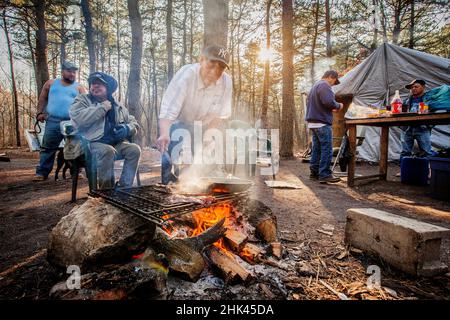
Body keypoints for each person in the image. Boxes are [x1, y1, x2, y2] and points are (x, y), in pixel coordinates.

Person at [156, 45, 232, 185]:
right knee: (171, 159)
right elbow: (168, 110)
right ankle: (168, 188)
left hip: (204, 125)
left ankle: (198, 187)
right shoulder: (186, 75)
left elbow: (219, 115)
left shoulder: (226, 82)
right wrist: (164, 134)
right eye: (211, 64)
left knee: (205, 160)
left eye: (220, 68)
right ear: (201, 60)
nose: (215, 71)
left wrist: (208, 137)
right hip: (178, 122)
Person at [69, 72, 140, 189]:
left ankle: (124, 188)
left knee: (134, 150)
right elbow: (79, 119)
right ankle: (106, 192)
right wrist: (102, 107)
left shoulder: (118, 106)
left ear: (109, 88)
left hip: (115, 144)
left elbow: (134, 123)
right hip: (89, 144)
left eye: (100, 84)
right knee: (107, 151)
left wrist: (127, 128)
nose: (95, 86)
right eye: (93, 84)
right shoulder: (82, 100)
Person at [34, 61, 86, 181]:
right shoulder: (51, 83)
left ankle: (76, 172)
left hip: (72, 122)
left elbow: (86, 104)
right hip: (53, 120)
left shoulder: (79, 87)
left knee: (75, 146)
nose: (72, 74)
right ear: (62, 71)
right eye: (69, 71)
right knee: (47, 147)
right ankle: (42, 173)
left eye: (74, 72)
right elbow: (42, 98)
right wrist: (39, 113)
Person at [305, 70, 343, 183]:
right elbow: (328, 102)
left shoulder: (315, 86)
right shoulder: (324, 85)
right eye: (334, 82)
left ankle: (314, 173)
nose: (333, 85)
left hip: (313, 122)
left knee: (317, 149)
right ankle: (325, 174)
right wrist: (339, 105)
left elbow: (319, 104)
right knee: (327, 149)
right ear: (331, 77)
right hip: (322, 123)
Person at [400, 79, 432, 160]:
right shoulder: (407, 100)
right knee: (405, 151)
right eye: (412, 87)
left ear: (423, 87)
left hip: (422, 128)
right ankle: (404, 171)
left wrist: (429, 126)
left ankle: (428, 172)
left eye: (416, 86)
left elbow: (435, 112)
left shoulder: (428, 99)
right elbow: (402, 113)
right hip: (408, 129)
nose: (413, 89)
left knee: (426, 152)